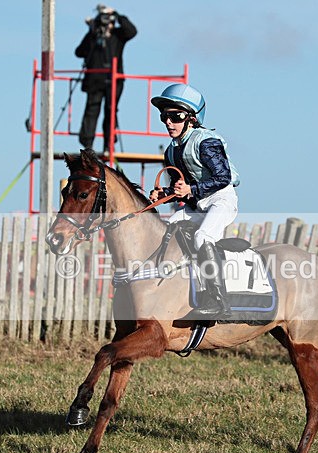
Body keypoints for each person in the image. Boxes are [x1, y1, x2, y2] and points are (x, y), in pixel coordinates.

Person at [149, 83, 240, 319]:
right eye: (164, 117)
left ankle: (220, 302)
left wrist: (190, 189)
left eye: (175, 116)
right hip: (198, 204)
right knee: (169, 229)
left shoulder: (206, 141)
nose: (169, 122)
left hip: (221, 199)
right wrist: (165, 193)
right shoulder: (171, 150)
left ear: (191, 119)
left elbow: (223, 177)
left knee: (202, 237)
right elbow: (183, 187)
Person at [74, 4, 137, 153]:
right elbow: (79, 52)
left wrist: (117, 14)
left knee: (111, 110)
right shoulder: (93, 36)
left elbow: (132, 31)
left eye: (108, 19)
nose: (106, 22)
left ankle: (109, 144)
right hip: (94, 81)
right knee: (91, 111)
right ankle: (88, 144)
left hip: (114, 81)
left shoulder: (118, 35)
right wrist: (92, 30)